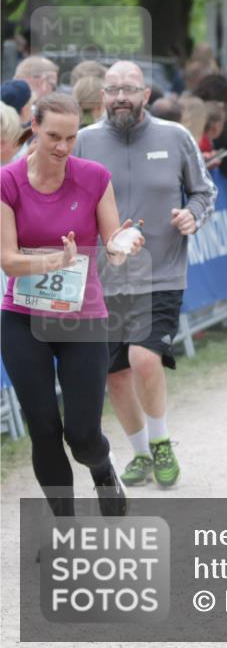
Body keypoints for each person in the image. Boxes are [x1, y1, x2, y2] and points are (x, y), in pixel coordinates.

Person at [74, 61, 218, 488]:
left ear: (146, 95)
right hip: (102, 278)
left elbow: (204, 190)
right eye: (113, 89)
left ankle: (160, 443)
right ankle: (139, 452)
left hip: (161, 273)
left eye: (129, 89)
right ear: (102, 96)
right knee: (114, 374)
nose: (121, 96)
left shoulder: (176, 137)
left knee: (144, 358)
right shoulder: (82, 142)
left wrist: (192, 215)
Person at [1, 93, 145, 518]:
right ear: (33, 125)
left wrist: (124, 244)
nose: (62, 147)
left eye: (71, 137)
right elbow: (7, 260)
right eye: (53, 137)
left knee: (82, 435)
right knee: (43, 429)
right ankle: (66, 527)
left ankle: (102, 469)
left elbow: (113, 245)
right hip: (23, 317)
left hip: (81, 319)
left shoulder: (95, 177)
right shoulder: (8, 181)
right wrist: (53, 261)